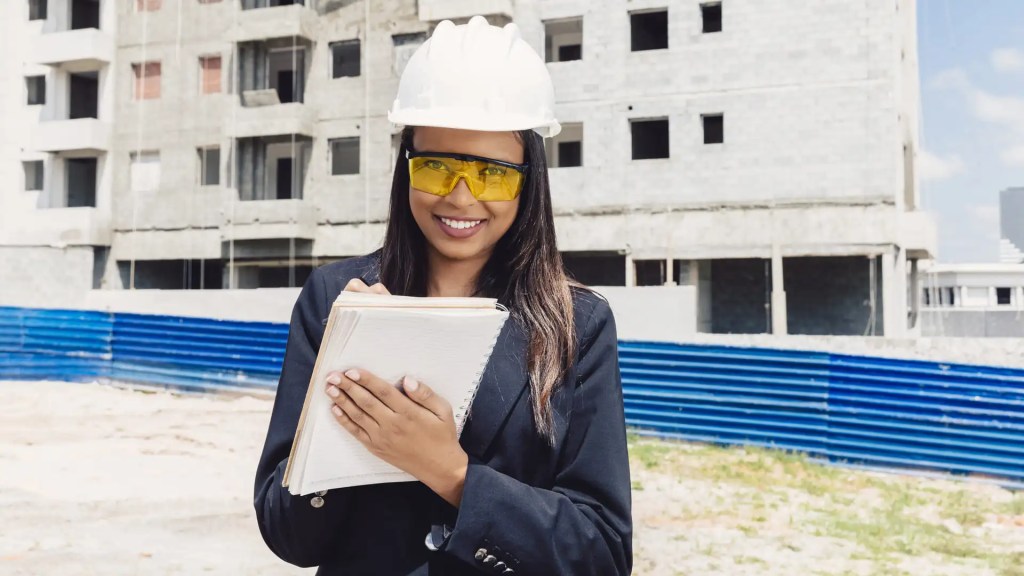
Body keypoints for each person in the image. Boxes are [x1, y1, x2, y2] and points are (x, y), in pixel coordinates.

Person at [254, 16, 632, 575]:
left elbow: (601, 553)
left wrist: (451, 472)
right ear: (407, 166)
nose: (460, 197)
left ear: (529, 181)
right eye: (436, 167)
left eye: (492, 174)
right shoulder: (336, 299)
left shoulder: (576, 323)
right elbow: (287, 533)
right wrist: (345, 414)